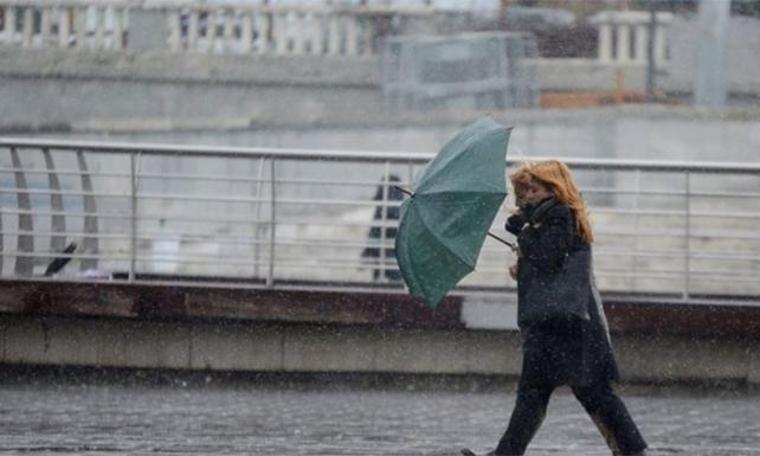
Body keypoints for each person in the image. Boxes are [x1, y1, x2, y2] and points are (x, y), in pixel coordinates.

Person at [462, 160, 648, 456]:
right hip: (558, 322)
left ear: (554, 188)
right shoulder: (546, 220)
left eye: (533, 189)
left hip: (565, 324)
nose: (526, 197)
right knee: (544, 395)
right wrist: (523, 262)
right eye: (522, 191)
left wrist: (524, 234)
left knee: (585, 393)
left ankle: (633, 451)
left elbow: (548, 256)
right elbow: (550, 262)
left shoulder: (560, 216)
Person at [361, 174, 403, 282]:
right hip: (397, 260)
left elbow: (374, 234)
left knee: (381, 276)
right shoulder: (401, 208)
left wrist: (366, 253)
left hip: (382, 258)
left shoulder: (381, 209)